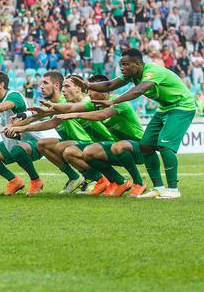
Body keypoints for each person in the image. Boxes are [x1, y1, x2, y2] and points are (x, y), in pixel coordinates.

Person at [69, 48, 196, 199]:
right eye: (121, 64)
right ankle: (159, 188)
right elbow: (109, 85)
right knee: (146, 145)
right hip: (165, 108)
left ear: (137, 63)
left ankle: (173, 190)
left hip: (182, 106)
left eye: (125, 64)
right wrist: (87, 85)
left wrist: (113, 101)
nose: (122, 68)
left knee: (165, 146)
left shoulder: (152, 71)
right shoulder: (132, 75)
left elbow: (139, 90)